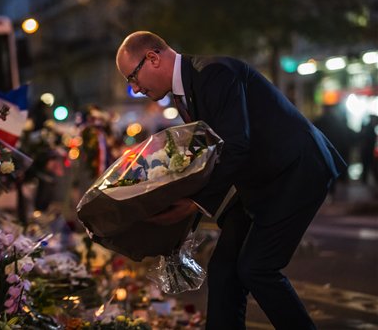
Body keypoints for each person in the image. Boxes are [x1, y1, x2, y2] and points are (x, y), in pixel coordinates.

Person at [115, 31, 346, 330]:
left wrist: (195, 202)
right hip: (260, 179)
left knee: (257, 268)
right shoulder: (188, 87)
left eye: (132, 78)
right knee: (224, 270)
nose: (134, 88)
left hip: (295, 171)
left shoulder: (213, 74)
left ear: (153, 58)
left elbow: (236, 145)